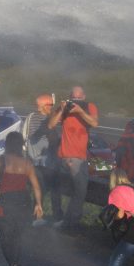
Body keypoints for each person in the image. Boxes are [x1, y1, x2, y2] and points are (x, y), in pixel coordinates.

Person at [0, 132, 43, 266]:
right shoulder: (27, 163)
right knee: (17, 236)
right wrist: (38, 203)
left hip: (6, 202)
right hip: (23, 201)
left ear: (7, 144)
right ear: (20, 145)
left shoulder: (1, 161)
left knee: (5, 238)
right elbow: (36, 186)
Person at [47, 86, 99, 232]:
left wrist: (80, 111)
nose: (76, 101)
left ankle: (66, 222)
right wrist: (62, 109)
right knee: (79, 191)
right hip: (68, 157)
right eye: (73, 98)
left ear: (84, 97)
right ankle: (70, 224)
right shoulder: (64, 109)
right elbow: (51, 125)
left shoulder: (89, 106)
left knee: (77, 192)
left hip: (78, 157)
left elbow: (94, 123)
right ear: (70, 98)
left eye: (78, 98)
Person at [24, 94, 62, 222]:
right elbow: (48, 137)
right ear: (43, 106)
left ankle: (36, 217)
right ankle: (42, 218)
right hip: (43, 162)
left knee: (39, 189)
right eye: (51, 105)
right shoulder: (40, 119)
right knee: (51, 190)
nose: (52, 107)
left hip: (36, 161)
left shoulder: (32, 117)